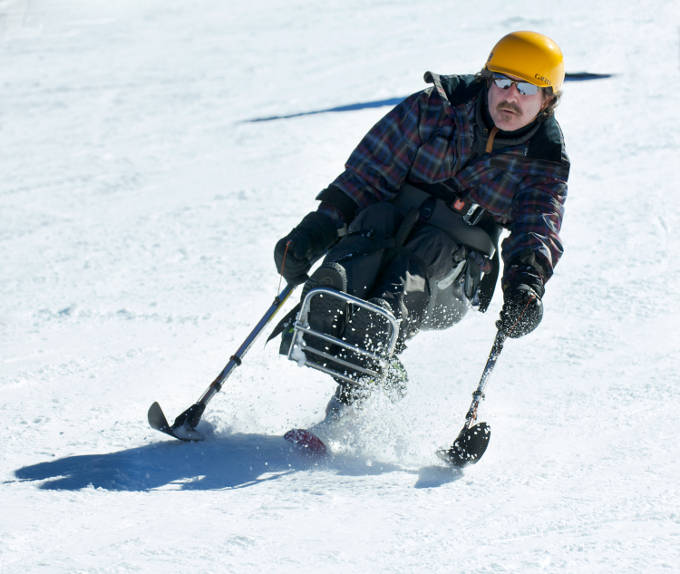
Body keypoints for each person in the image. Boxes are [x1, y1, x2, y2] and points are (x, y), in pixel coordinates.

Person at [273, 31, 569, 415]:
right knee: (374, 222)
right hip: (385, 230)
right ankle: (328, 295)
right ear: (486, 78)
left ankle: (359, 379)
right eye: (502, 81)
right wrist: (319, 228)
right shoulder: (434, 108)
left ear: (547, 101)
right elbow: (369, 173)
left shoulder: (544, 159)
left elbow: (537, 227)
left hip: (448, 275)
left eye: (527, 88)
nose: (510, 96)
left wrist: (526, 284)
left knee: (420, 256)